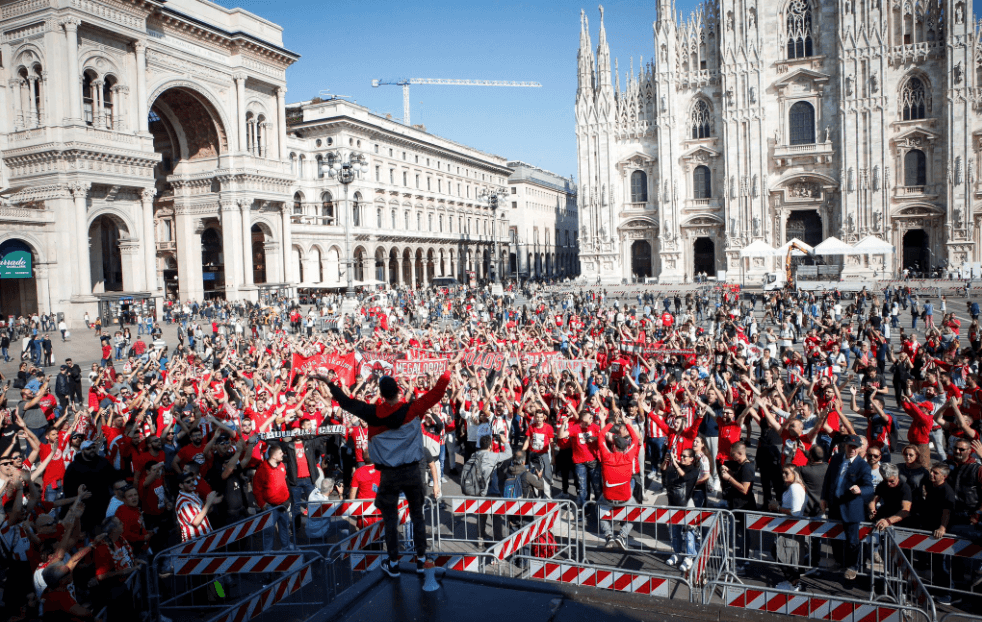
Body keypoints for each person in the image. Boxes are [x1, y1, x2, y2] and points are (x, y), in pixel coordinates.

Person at [326, 352, 462, 578]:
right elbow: (438, 392)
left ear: (380, 394)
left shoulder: (371, 413)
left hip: (387, 474)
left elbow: (345, 402)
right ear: (399, 392)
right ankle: (420, 559)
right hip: (411, 471)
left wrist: (329, 382)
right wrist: (449, 368)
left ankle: (393, 562)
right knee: (417, 515)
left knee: (389, 519)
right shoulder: (412, 409)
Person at [821, 435, 874, 580]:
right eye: (850, 446)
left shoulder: (862, 466)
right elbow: (828, 478)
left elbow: (870, 488)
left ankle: (853, 566)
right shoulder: (837, 458)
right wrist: (823, 498)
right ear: (845, 446)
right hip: (835, 505)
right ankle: (839, 562)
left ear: (859, 449)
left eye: (855, 447)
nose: (852, 450)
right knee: (834, 537)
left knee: (852, 540)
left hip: (851, 508)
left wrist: (860, 490)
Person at [253, 444, 295, 550]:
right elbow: (256, 489)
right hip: (270, 507)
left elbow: (284, 482)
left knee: (285, 528)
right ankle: (268, 555)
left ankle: (286, 548)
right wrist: (263, 504)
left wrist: (288, 499)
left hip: (284, 505)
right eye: (280, 453)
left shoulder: (281, 465)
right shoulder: (262, 469)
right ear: (273, 456)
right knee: (268, 532)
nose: (283, 454)